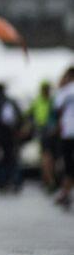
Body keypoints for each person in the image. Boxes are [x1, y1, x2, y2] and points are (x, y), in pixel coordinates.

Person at [53, 67, 74, 208]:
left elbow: (56, 107)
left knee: (68, 164)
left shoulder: (65, 91)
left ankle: (65, 193)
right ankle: (65, 192)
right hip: (68, 132)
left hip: (68, 133)